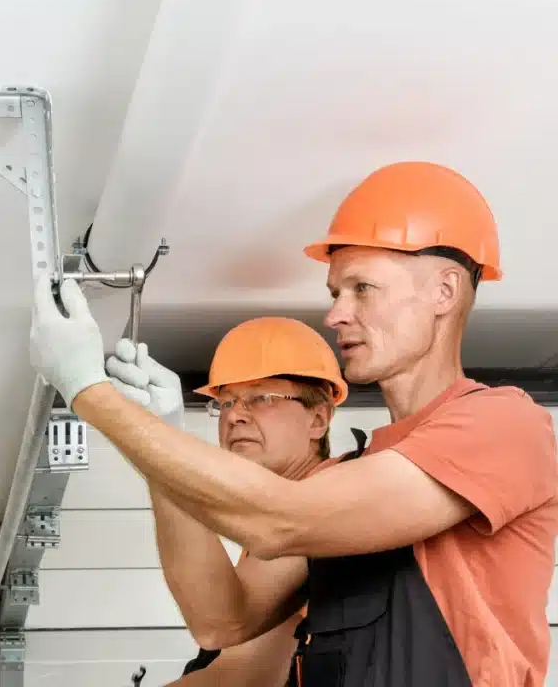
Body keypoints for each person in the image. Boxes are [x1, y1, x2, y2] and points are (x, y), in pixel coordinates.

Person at [29, 161, 558, 686]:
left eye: (362, 289)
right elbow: (220, 620)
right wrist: (159, 443)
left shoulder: (504, 424)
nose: (336, 315)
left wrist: (89, 393)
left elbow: (281, 519)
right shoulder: (350, 479)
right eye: (335, 293)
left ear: (444, 291)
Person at [106, 317, 351, 686]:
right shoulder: (272, 527)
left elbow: (242, 674)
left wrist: (159, 447)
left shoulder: (326, 504)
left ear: (318, 419)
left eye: (261, 398)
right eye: (226, 402)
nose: (235, 415)